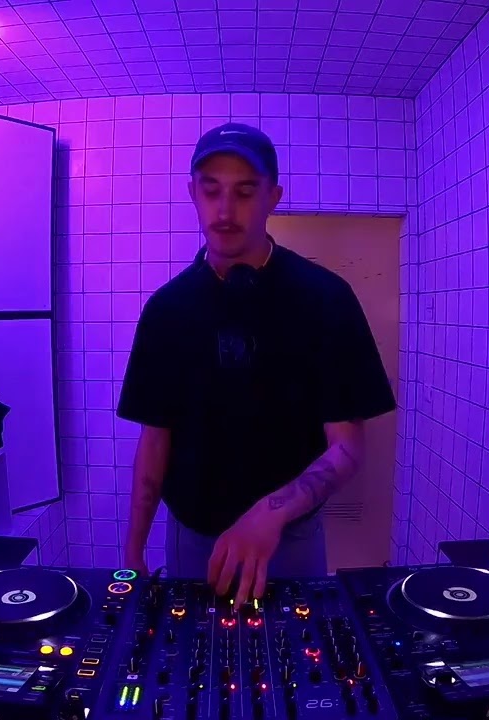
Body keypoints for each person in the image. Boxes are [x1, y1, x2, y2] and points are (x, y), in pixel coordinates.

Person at [116, 122, 395, 605]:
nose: (225, 211)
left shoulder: (326, 299)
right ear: (192, 194)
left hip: (291, 540)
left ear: (273, 197)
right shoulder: (165, 311)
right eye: (211, 191)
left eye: (245, 192)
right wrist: (133, 551)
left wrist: (271, 512)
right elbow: (155, 440)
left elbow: (348, 448)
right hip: (191, 543)